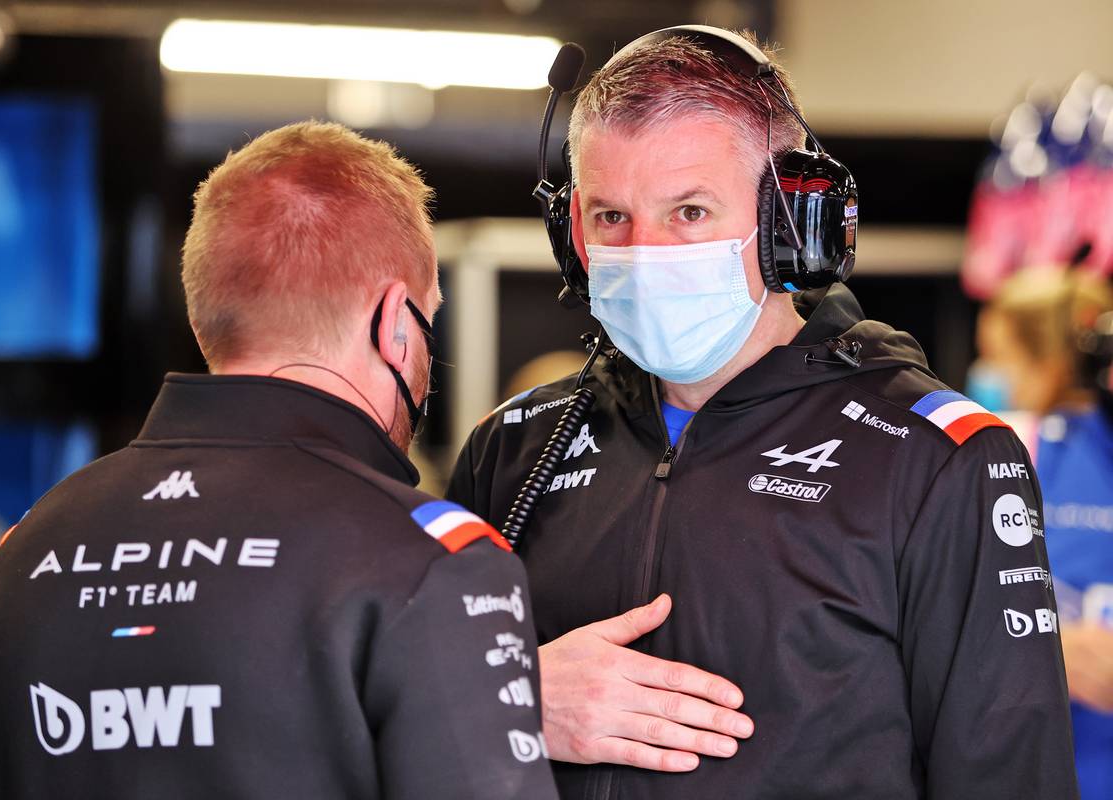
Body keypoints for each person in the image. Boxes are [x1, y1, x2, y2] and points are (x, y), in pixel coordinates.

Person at [448, 26, 1077, 798]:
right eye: (611, 217)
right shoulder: (509, 452)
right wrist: (510, 700)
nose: (644, 253)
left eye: (689, 212)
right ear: (571, 229)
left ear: (789, 228)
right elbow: (398, 738)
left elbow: (1010, 776)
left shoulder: (937, 460)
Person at [0, 121, 558, 799]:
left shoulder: (19, 557)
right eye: (426, 319)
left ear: (207, 312)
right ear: (394, 322)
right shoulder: (433, 563)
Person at [972, 267, 1113, 799]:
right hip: (1039, 763)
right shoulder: (1009, 447)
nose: (988, 373)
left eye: (1000, 355)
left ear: (1049, 360)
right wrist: (1044, 648)